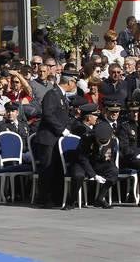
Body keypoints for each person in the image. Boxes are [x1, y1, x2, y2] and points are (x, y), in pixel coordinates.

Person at [34, 71, 78, 208]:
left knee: (57, 168)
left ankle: (56, 197)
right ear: (69, 82)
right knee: (47, 168)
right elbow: (48, 115)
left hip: (57, 139)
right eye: (74, 82)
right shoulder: (52, 94)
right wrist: (61, 130)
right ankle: (45, 199)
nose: (75, 85)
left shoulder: (62, 96)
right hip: (48, 138)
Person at [68, 122, 118, 209]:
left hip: (97, 163)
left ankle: (100, 198)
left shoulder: (112, 140)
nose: (102, 143)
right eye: (100, 141)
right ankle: (71, 201)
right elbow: (82, 158)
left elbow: (109, 157)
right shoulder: (86, 138)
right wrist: (94, 175)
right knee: (78, 175)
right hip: (82, 164)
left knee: (113, 171)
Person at [116, 101, 140, 172]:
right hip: (130, 158)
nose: (135, 114)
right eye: (133, 112)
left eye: (137, 111)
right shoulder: (124, 127)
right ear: (129, 113)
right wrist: (138, 153)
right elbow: (125, 148)